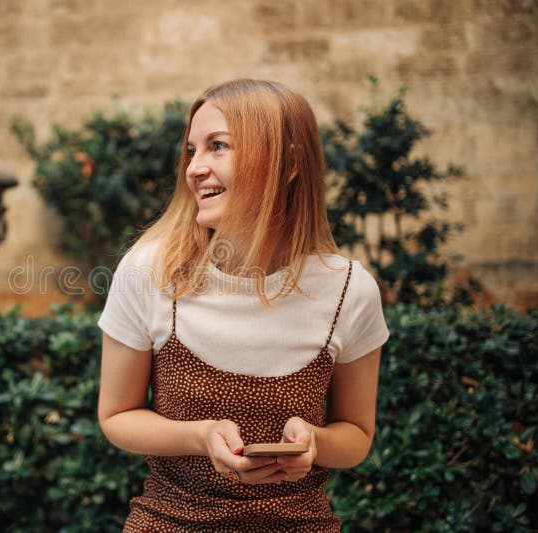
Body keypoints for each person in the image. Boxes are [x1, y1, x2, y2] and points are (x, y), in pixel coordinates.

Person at [97, 78, 390, 531]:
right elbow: (116, 415)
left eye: (218, 146)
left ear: (289, 163)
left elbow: (356, 434)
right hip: (170, 522)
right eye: (192, 151)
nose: (195, 168)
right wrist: (200, 436)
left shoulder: (350, 290)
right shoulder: (148, 270)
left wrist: (313, 442)